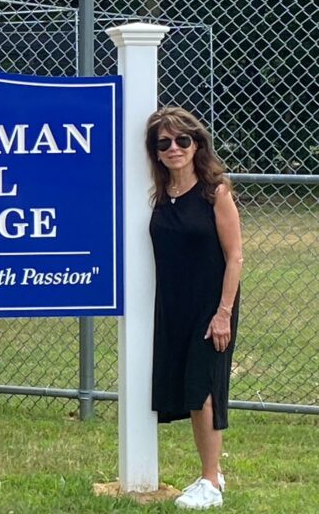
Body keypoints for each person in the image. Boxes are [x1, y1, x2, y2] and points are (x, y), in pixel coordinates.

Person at [146, 106, 243, 510]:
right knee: (189, 391)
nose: (174, 148)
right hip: (173, 305)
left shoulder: (214, 192)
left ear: (197, 144)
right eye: (163, 142)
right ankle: (211, 473)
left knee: (205, 390)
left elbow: (235, 255)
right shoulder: (154, 194)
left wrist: (223, 313)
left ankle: (210, 481)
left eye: (182, 140)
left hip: (211, 305)